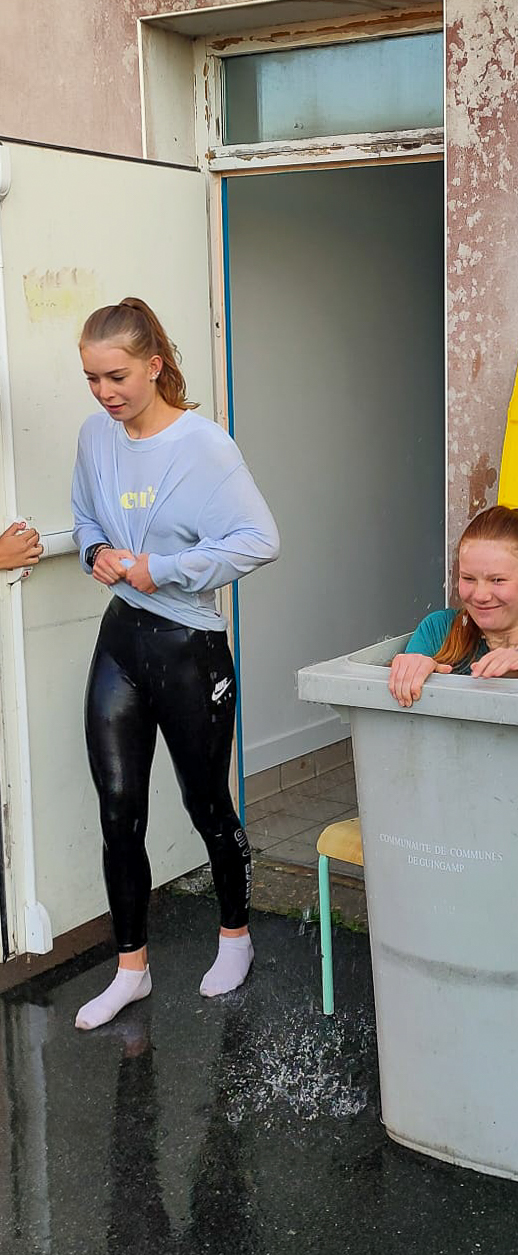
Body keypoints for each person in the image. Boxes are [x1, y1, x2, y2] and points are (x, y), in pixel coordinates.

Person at [71, 297, 280, 1031]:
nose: (105, 392)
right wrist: (97, 552)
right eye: (92, 378)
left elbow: (259, 539)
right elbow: (86, 520)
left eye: (117, 375)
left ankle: (236, 937)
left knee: (206, 806)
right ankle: (131, 967)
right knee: (119, 811)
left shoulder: (205, 445)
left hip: (190, 648)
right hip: (122, 642)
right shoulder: (96, 438)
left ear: (154, 364)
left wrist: (166, 569)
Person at [388, 504, 518, 708]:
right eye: (468, 578)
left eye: (497, 580)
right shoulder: (438, 631)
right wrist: (411, 672)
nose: (480, 595)